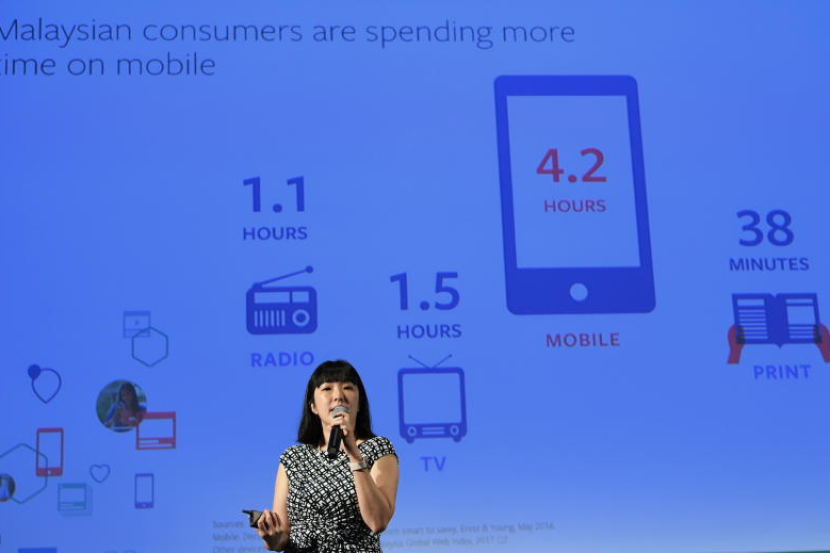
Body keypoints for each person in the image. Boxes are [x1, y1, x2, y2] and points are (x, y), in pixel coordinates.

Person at [257, 360, 399, 552]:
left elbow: (378, 522)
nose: (338, 396)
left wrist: (354, 455)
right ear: (313, 406)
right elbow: (281, 538)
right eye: (327, 388)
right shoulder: (293, 458)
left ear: (359, 403)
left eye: (347, 387)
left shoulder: (378, 448)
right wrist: (271, 537)